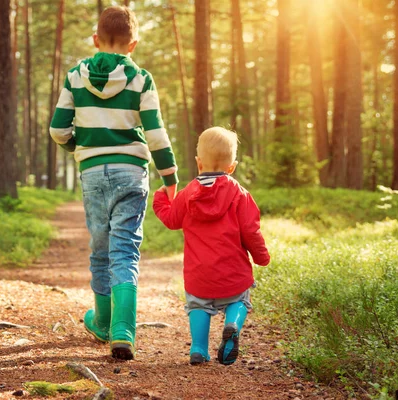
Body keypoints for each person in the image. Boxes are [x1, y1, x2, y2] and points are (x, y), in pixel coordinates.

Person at [49, 6, 179, 360]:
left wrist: (84, 149)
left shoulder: (76, 75)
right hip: (131, 171)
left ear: (95, 40)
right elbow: (155, 134)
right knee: (125, 249)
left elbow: (58, 130)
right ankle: (123, 331)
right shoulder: (141, 79)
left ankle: (103, 323)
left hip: (92, 172)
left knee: (100, 246)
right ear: (132, 44)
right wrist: (170, 177)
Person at [152, 127, 270, 365]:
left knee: (198, 305)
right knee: (240, 300)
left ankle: (198, 349)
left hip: (199, 274)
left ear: (198, 162)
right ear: (232, 167)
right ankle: (232, 324)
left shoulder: (187, 194)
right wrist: (261, 256)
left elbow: (172, 220)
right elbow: (251, 230)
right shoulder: (240, 194)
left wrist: (161, 199)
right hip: (232, 271)